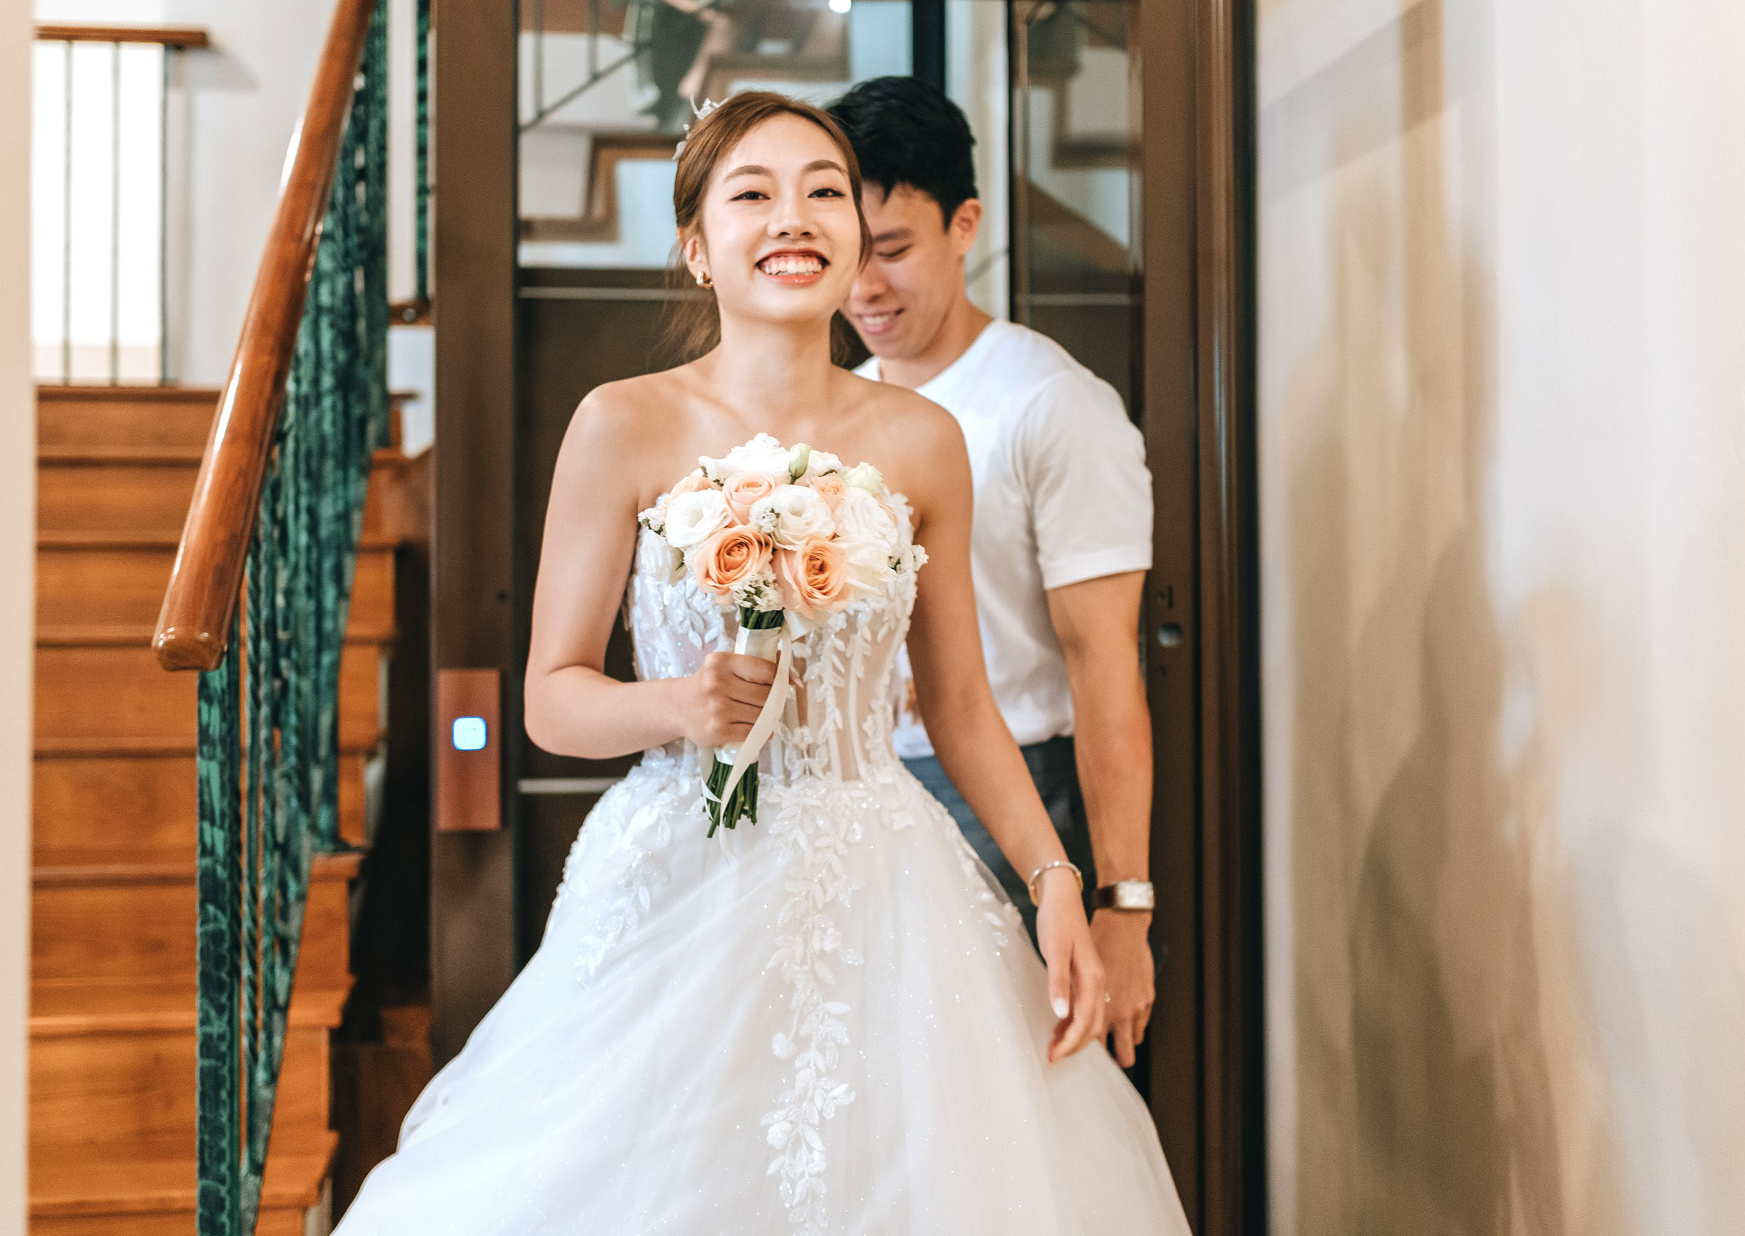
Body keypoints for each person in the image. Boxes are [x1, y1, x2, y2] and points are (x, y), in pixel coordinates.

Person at [334, 91, 1189, 1234]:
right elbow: (549, 699)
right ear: (696, 246)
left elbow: (961, 708)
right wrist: (680, 704)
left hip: (880, 876)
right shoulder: (620, 423)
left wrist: (1055, 881)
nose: (794, 217)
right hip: (678, 870)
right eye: (753, 194)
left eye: (823, 191)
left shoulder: (921, 439)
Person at [828, 76, 1161, 1069]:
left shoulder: (1048, 404)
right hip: (856, 795)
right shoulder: (835, 407)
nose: (864, 287)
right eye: (848, 251)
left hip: (1012, 793)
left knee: (1003, 1085)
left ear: (964, 224)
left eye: (893, 249)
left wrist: (1123, 904)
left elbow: (1105, 664)